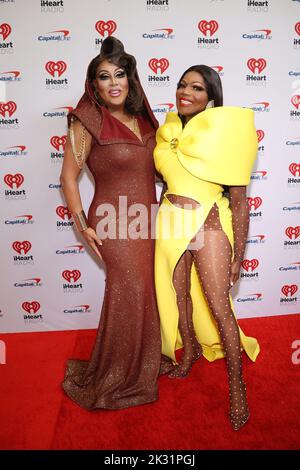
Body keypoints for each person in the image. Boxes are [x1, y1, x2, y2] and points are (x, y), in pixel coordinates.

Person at [60, 36, 165, 410]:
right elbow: (68, 178)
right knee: (129, 291)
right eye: (104, 77)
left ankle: (141, 363)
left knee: (145, 293)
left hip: (148, 220)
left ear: (131, 79)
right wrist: (81, 222)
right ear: (95, 85)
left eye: (120, 74)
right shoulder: (86, 120)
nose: (114, 82)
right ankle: (117, 375)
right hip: (111, 223)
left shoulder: (144, 119)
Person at [154, 65, 260, 430]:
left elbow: (241, 200)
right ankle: (191, 352)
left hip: (209, 223)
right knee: (178, 294)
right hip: (169, 219)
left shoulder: (224, 134)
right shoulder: (168, 129)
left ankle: (237, 387)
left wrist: (240, 255)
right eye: (182, 85)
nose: (186, 92)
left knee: (219, 306)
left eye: (196, 87)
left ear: (210, 97)